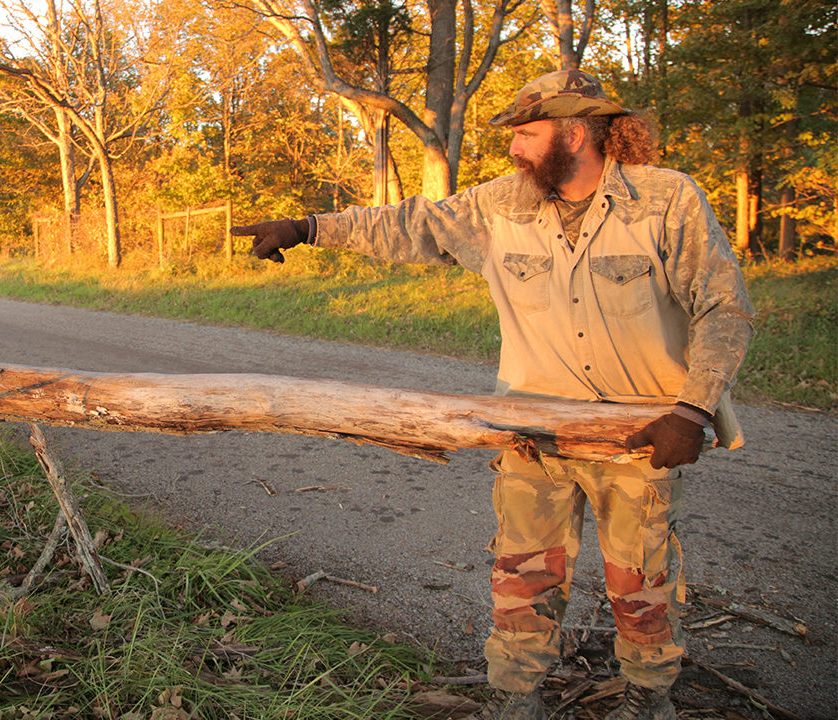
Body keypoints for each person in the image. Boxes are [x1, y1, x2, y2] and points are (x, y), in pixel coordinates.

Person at [232, 70, 754, 720]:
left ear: (574, 133)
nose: (514, 148)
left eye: (527, 134)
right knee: (522, 578)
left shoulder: (666, 200)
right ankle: (515, 699)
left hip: (640, 440)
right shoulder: (501, 206)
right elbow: (410, 224)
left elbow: (724, 307)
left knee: (641, 584)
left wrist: (692, 410)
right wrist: (306, 227)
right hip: (532, 437)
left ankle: (648, 700)